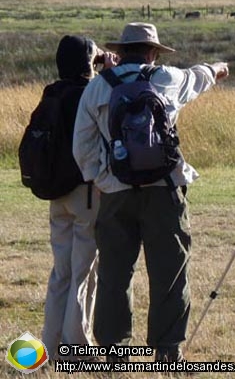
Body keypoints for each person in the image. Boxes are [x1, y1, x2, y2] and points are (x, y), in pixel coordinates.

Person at [73, 22, 229, 362]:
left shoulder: (98, 88)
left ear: (123, 49)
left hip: (115, 193)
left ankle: (115, 351)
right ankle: (167, 350)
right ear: (154, 52)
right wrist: (218, 68)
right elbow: (199, 77)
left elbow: (82, 147)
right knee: (170, 272)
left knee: (114, 273)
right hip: (165, 189)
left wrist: (104, 179)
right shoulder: (167, 79)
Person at [41, 35, 118, 361]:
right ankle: (77, 348)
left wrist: (96, 60)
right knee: (84, 270)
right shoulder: (91, 92)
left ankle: (51, 344)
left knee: (62, 272)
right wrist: (108, 71)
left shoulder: (52, 93)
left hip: (56, 193)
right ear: (88, 62)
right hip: (85, 192)